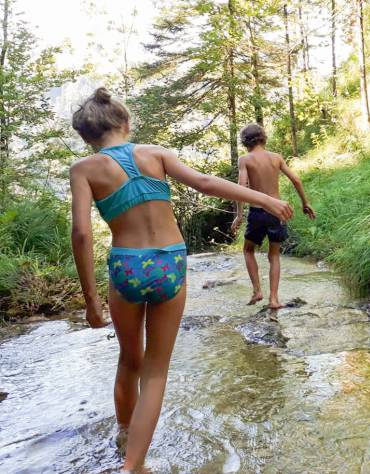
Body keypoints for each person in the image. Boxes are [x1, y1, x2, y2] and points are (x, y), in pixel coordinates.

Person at [69, 88, 293, 471]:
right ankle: (134, 465)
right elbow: (205, 182)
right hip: (169, 263)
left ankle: (125, 432)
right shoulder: (155, 154)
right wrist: (266, 200)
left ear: (87, 137)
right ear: (126, 123)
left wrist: (91, 301)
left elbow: (82, 235)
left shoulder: (84, 169)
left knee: (130, 360)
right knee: (156, 371)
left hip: (126, 266)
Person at [231, 123, 315, 310]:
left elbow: (240, 187)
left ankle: (257, 290)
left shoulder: (245, 160)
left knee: (248, 250)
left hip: (257, 212)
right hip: (278, 211)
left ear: (245, 141)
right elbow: (296, 179)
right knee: (274, 255)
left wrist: (239, 215)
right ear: (263, 138)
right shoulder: (276, 158)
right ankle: (274, 299)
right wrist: (305, 203)